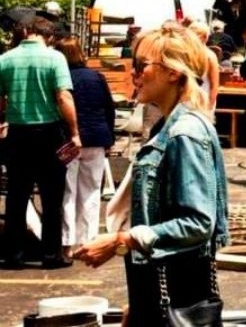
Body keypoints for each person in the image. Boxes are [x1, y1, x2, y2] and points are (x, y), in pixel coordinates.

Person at [74, 24, 229, 326]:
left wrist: (122, 239)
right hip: (160, 289)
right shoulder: (167, 127)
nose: (134, 74)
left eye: (141, 66)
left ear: (173, 72)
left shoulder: (185, 133)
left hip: (177, 287)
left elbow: (198, 223)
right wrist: (142, 303)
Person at [0, 18, 81, 269]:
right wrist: (74, 131)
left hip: (17, 133)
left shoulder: (5, 59)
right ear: (49, 37)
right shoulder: (55, 58)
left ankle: (13, 255)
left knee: (16, 196)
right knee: (52, 196)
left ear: (26, 33)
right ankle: (51, 254)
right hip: (49, 132)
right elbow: (63, 96)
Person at [55, 37, 115, 259]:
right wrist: (110, 138)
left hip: (68, 140)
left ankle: (67, 242)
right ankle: (87, 240)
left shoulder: (61, 78)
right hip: (97, 137)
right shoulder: (96, 76)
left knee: (68, 192)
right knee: (91, 191)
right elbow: (109, 108)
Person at [184, 20, 221, 109]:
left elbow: (214, 85)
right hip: (187, 103)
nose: (190, 39)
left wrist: (209, 107)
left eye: (195, 36)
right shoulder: (187, 55)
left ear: (204, 37)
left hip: (204, 103)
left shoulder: (210, 57)